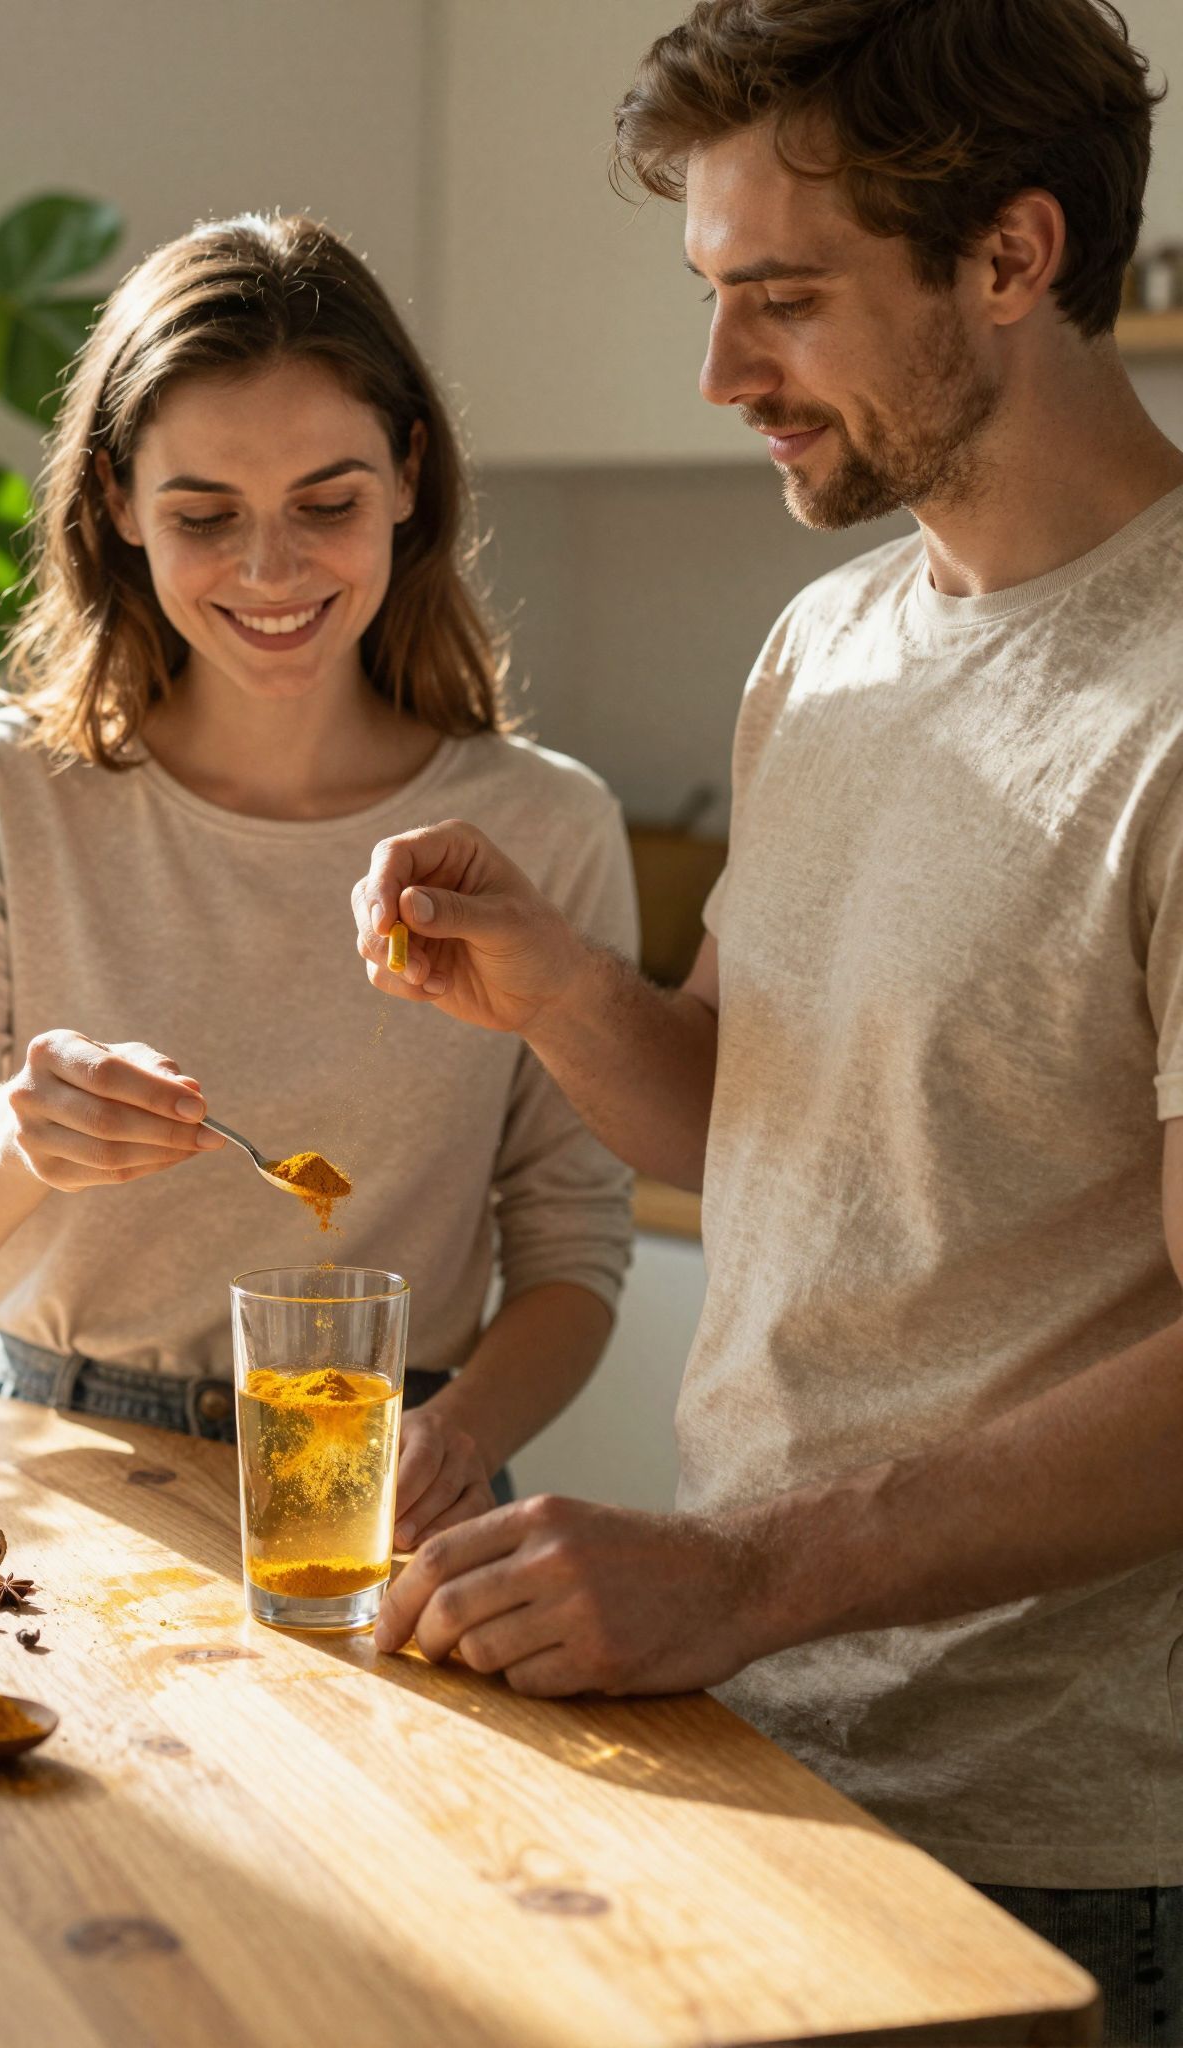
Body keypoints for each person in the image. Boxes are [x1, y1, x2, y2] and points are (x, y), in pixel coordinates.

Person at [354, 2, 1183, 2036]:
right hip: (754, 1737)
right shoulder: (827, 644)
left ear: (1014, 256)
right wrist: (557, 985)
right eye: (718, 296)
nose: (726, 374)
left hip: (1063, 1839)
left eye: (786, 302)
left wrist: (746, 1569)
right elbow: (750, 1115)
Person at [0, 212, 636, 1554]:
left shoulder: (541, 830)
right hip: (57, 1457)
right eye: (205, 515)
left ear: (407, 478)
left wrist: (460, 1435)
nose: (271, 571)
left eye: (326, 504)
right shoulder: (2, 792)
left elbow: (573, 1251)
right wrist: (19, 1134)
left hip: (383, 1465)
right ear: (117, 506)